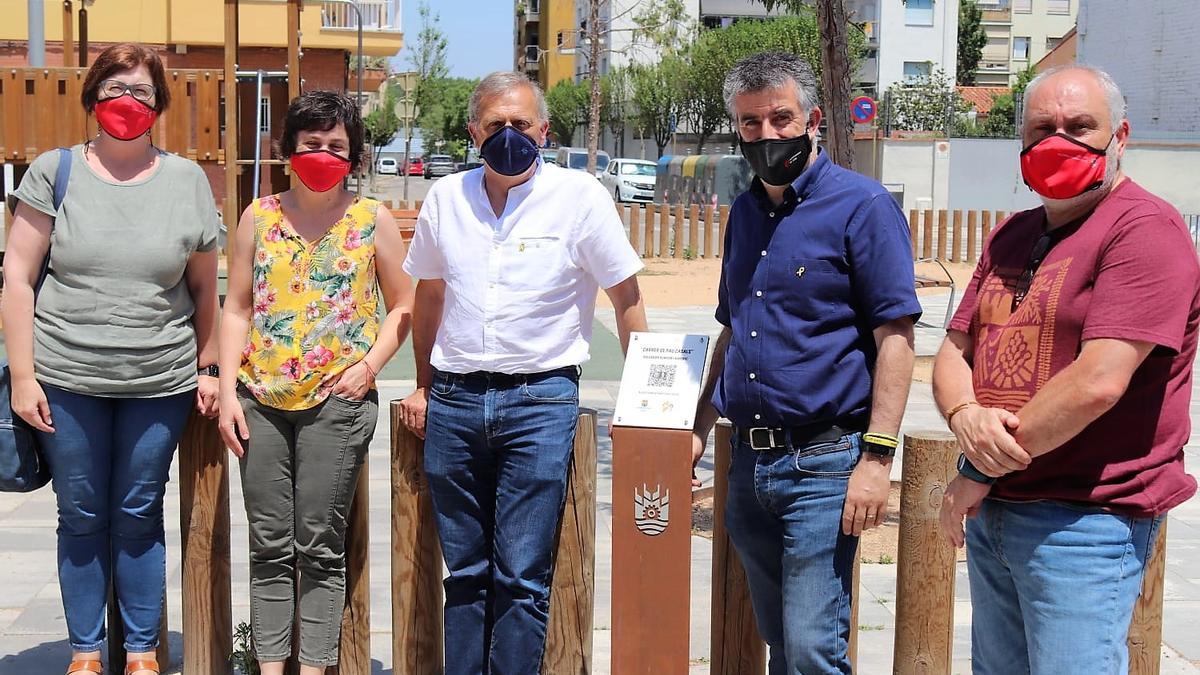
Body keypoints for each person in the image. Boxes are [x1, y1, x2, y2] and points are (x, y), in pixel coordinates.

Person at [936, 64, 1199, 674]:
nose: (1061, 141)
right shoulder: (1012, 234)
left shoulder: (1143, 230)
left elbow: (1099, 381)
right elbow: (953, 350)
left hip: (1085, 523)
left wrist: (977, 465)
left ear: (1121, 136)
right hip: (1001, 509)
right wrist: (964, 412)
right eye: (1043, 128)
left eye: (1081, 126)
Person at [398, 71, 647, 674]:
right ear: (472, 131)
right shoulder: (446, 199)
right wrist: (425, 387)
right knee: (466, 574)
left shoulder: (581, 197)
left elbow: (627, 299)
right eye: (494, 125)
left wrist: (642, 401)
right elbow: (428, 297)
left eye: (520, 125)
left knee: (521, 577)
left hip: (540, 402)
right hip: (455, 402)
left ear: (544, 131)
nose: (508, 135)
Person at [690, 51, 921, 674]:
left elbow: (897, 337)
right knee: (784, 642)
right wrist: (697, 427)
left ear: (812, 118)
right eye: (750, 123)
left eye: (781, 119)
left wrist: (877, 458)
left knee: (816, 650)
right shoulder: (742, 214)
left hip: (826, 464)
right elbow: (731, 329)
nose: (767, 135)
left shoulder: (862, 207)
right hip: (749, 468)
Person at [0, 43, 220, 675]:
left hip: (159, 380)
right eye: (116, 88)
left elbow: (206, 287)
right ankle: (86, 651)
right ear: (94, 96)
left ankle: (144, 651)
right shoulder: (54, 171)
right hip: (66, 376)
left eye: (143, 91)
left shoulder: (186, 182)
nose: (129, 101)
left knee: (138, 511)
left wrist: (206, 368)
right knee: (81, 513)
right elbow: (17, 277)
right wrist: (22, 376)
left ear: (160, 105)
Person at [217, 91, 413, 675]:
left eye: (336, 146)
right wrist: (228, 390)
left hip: (338, 402)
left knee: (319, 546)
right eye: (311, 144)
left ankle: (315, 665)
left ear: (352, 156)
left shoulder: (371, 219)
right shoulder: (260, 216)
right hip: (261, 399)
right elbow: (236, 308)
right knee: (269, 545)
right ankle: (269, 665)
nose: (322, 154)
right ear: (288, 152)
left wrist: (370, 365)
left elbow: (404, 305)